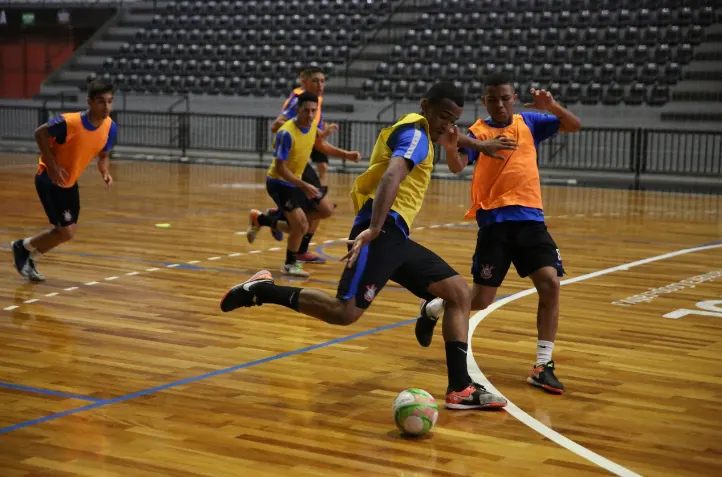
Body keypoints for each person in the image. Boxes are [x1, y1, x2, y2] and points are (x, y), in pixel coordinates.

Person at [220, 81, 517, 410]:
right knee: (344, 312)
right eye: (443, 116)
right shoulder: (416, 137)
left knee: (459, 293)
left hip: (396, 235)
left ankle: (460, 388)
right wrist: (374, 228)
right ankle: (261, 290)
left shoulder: (423, 130)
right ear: (425, 106)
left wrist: (479, 145)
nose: (448, 125)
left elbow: (450, 137)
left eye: (454, 119)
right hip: (383, 229)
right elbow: (392, 176)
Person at [413, 73, 582, 395]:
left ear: (514, 98)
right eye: (493, 99)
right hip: (494, 224)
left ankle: (543, 365)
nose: (500, 104)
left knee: (550, 283)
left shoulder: (529, 121)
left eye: (505, 98)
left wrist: (553, 106)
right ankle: (433, 308)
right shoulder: (478, 132)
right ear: (485, 101)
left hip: (531, 219)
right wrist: (451, 147)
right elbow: (456, 166)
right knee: (480, 299)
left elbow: (573, 125)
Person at [11, 78, 117, 282]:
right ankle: (23, 249)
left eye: (110, 101)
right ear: (90, 102)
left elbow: (104, 154)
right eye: (101, 101)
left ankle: (27, 251)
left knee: (68, 232)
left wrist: (104, 172)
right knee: (65, 231)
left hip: (69, 182)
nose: (106, 107)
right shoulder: (69, 123)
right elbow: (40, 133)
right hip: (49, 179)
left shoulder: (110, 128)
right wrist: (51, 164)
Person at [250, 91, 360, 277]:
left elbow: (320, 145)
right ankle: (290, 263)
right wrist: (303, 185)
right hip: (280, 183)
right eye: (306, 111)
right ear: (297, 111)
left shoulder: (312, 126)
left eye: (313, 110)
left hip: (296, 183)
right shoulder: (286, 133)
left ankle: (268, 219)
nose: (310, 115)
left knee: (325, 210)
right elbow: (280, 169)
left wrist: (345, 154)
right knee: (300, 226)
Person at [256, 66, 339, 264]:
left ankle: (274, 220)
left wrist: (327, 138)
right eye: (316, 81)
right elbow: (276, 126)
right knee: (303, 221)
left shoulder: (314, 103)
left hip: (304, 158)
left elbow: (315, 136)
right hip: (292, 163)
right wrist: (291, 129)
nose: (320, 85)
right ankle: (295, 250)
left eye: (323, 81)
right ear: (305, 82)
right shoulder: (297, 101)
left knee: (322, 210)